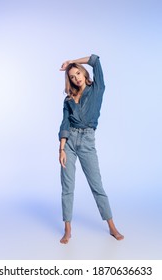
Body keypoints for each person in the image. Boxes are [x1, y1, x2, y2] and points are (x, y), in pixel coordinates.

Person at [58, 54, 124, 244]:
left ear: (83, 72)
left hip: (87, 141)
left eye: (77, 73)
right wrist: (61, 149)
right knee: (67, 187)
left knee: (97, 186)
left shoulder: (97, 89)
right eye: (72, 76)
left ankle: (112, 227)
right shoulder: (68, 100)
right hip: (69, 142)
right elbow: (64, 123)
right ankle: (67, 229)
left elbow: (95, 60)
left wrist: (71, 60)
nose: (76, 77)